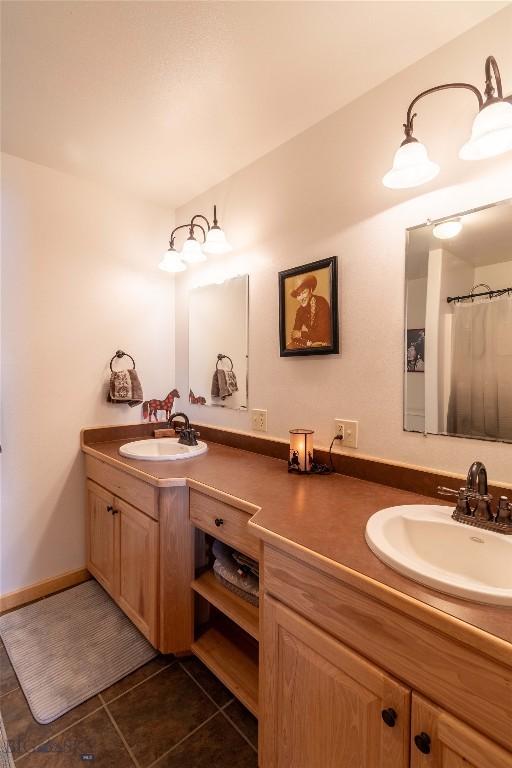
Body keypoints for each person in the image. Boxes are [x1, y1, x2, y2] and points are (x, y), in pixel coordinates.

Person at [289, 274, 331, 347]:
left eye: (304, 292)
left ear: (311, 290)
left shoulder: (321, 302)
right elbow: (294, 335)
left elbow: (322, 334)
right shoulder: (299, 311)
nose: (301, 298)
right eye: (298, 295)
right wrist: (309, 344)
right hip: (312, 345)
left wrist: (301, 334)